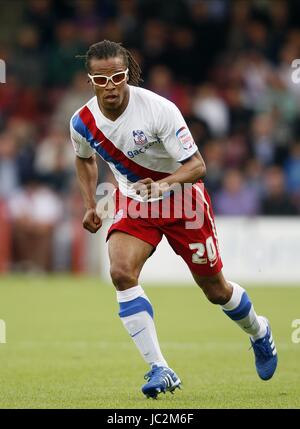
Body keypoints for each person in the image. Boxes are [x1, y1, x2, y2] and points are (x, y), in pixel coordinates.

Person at [70, 40, 277, 399]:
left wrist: (162, 185)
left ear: (127, 75)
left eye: (117, 77)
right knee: (120, 273)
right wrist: (91, 204)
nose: (110, 86)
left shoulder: (158, 109)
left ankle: (259, 331)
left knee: (216, 291)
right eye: (101, 80)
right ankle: (160, 368)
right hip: (135, 202)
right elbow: (84, 158)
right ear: (90, 81)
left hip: (182, 202)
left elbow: (198, 166)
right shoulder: (82, 121)